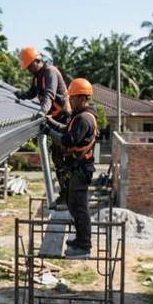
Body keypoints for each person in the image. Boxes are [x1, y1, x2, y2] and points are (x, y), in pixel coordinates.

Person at [41, 78, 98, 258]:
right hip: (78, 168)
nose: (69, 101)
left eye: (72, 98)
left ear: (82, 98)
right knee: (74, 204)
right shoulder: (79, 116)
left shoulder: (84, 119)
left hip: (81, 169)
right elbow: (67, 130)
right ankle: (80, 239)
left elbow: (67, 140)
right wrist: (51, 123)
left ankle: (84, 244)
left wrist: (49, 132)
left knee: (80, 207)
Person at [14, 47, 71, 206]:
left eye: (31, 66)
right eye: (28, 68)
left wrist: (42, 111)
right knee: (58, 158)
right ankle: (64, 194)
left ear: (37, 61)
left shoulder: (50, 72)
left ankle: (69, 195)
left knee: (65, 159)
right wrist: (21, 95)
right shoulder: (37, 77)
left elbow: (49, 95)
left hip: (63, 119)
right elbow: (33, 93)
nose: (29, 70)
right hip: (53, 119)